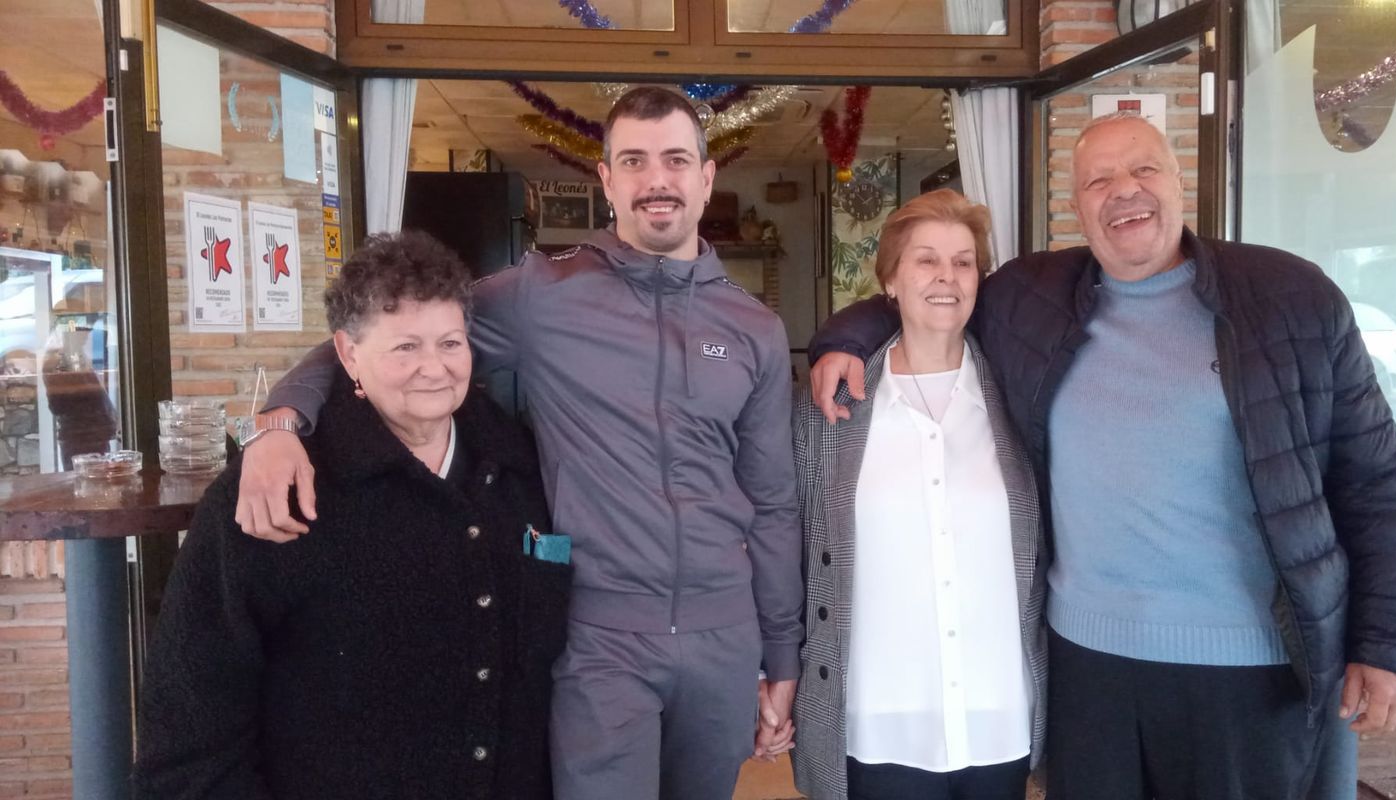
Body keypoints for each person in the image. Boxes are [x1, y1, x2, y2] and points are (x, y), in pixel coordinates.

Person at [808, 112, 1396, 799]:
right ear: (1077, 207)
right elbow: (928, 302)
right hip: (1089, 672)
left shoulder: (1289, 297)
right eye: (1099, 180)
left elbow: (1376, 483)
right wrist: (843, 339)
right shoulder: (1035, 299)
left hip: (1252, 672)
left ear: (1180, 180)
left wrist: (1389, 643)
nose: (1124, 191)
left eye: (1143, 169)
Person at [232, 87, 803, 800]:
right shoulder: (545, 294)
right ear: (607, 180)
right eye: (634, 161)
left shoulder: (754, 329)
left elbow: (773, 503)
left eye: (676, 160)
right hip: (601, 637)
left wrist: (782, 653)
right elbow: (389, 335)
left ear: (706, 177)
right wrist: (280, 421)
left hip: (725, 635)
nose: (657, 180)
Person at [133, 231, 569, 799]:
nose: (434, 368)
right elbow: (192, 720)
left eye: (450, 343)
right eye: (405, 347)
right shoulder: (280, 489)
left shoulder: (520, 470)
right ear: (347, 354)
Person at [789, 190, 1046, 800]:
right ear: (891, 280)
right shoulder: (830, 409)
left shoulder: (1020, 394)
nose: (946, 277)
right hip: (879, 718)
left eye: (963, 262)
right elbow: (794, 551)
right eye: (926, 260)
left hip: (997, 714)